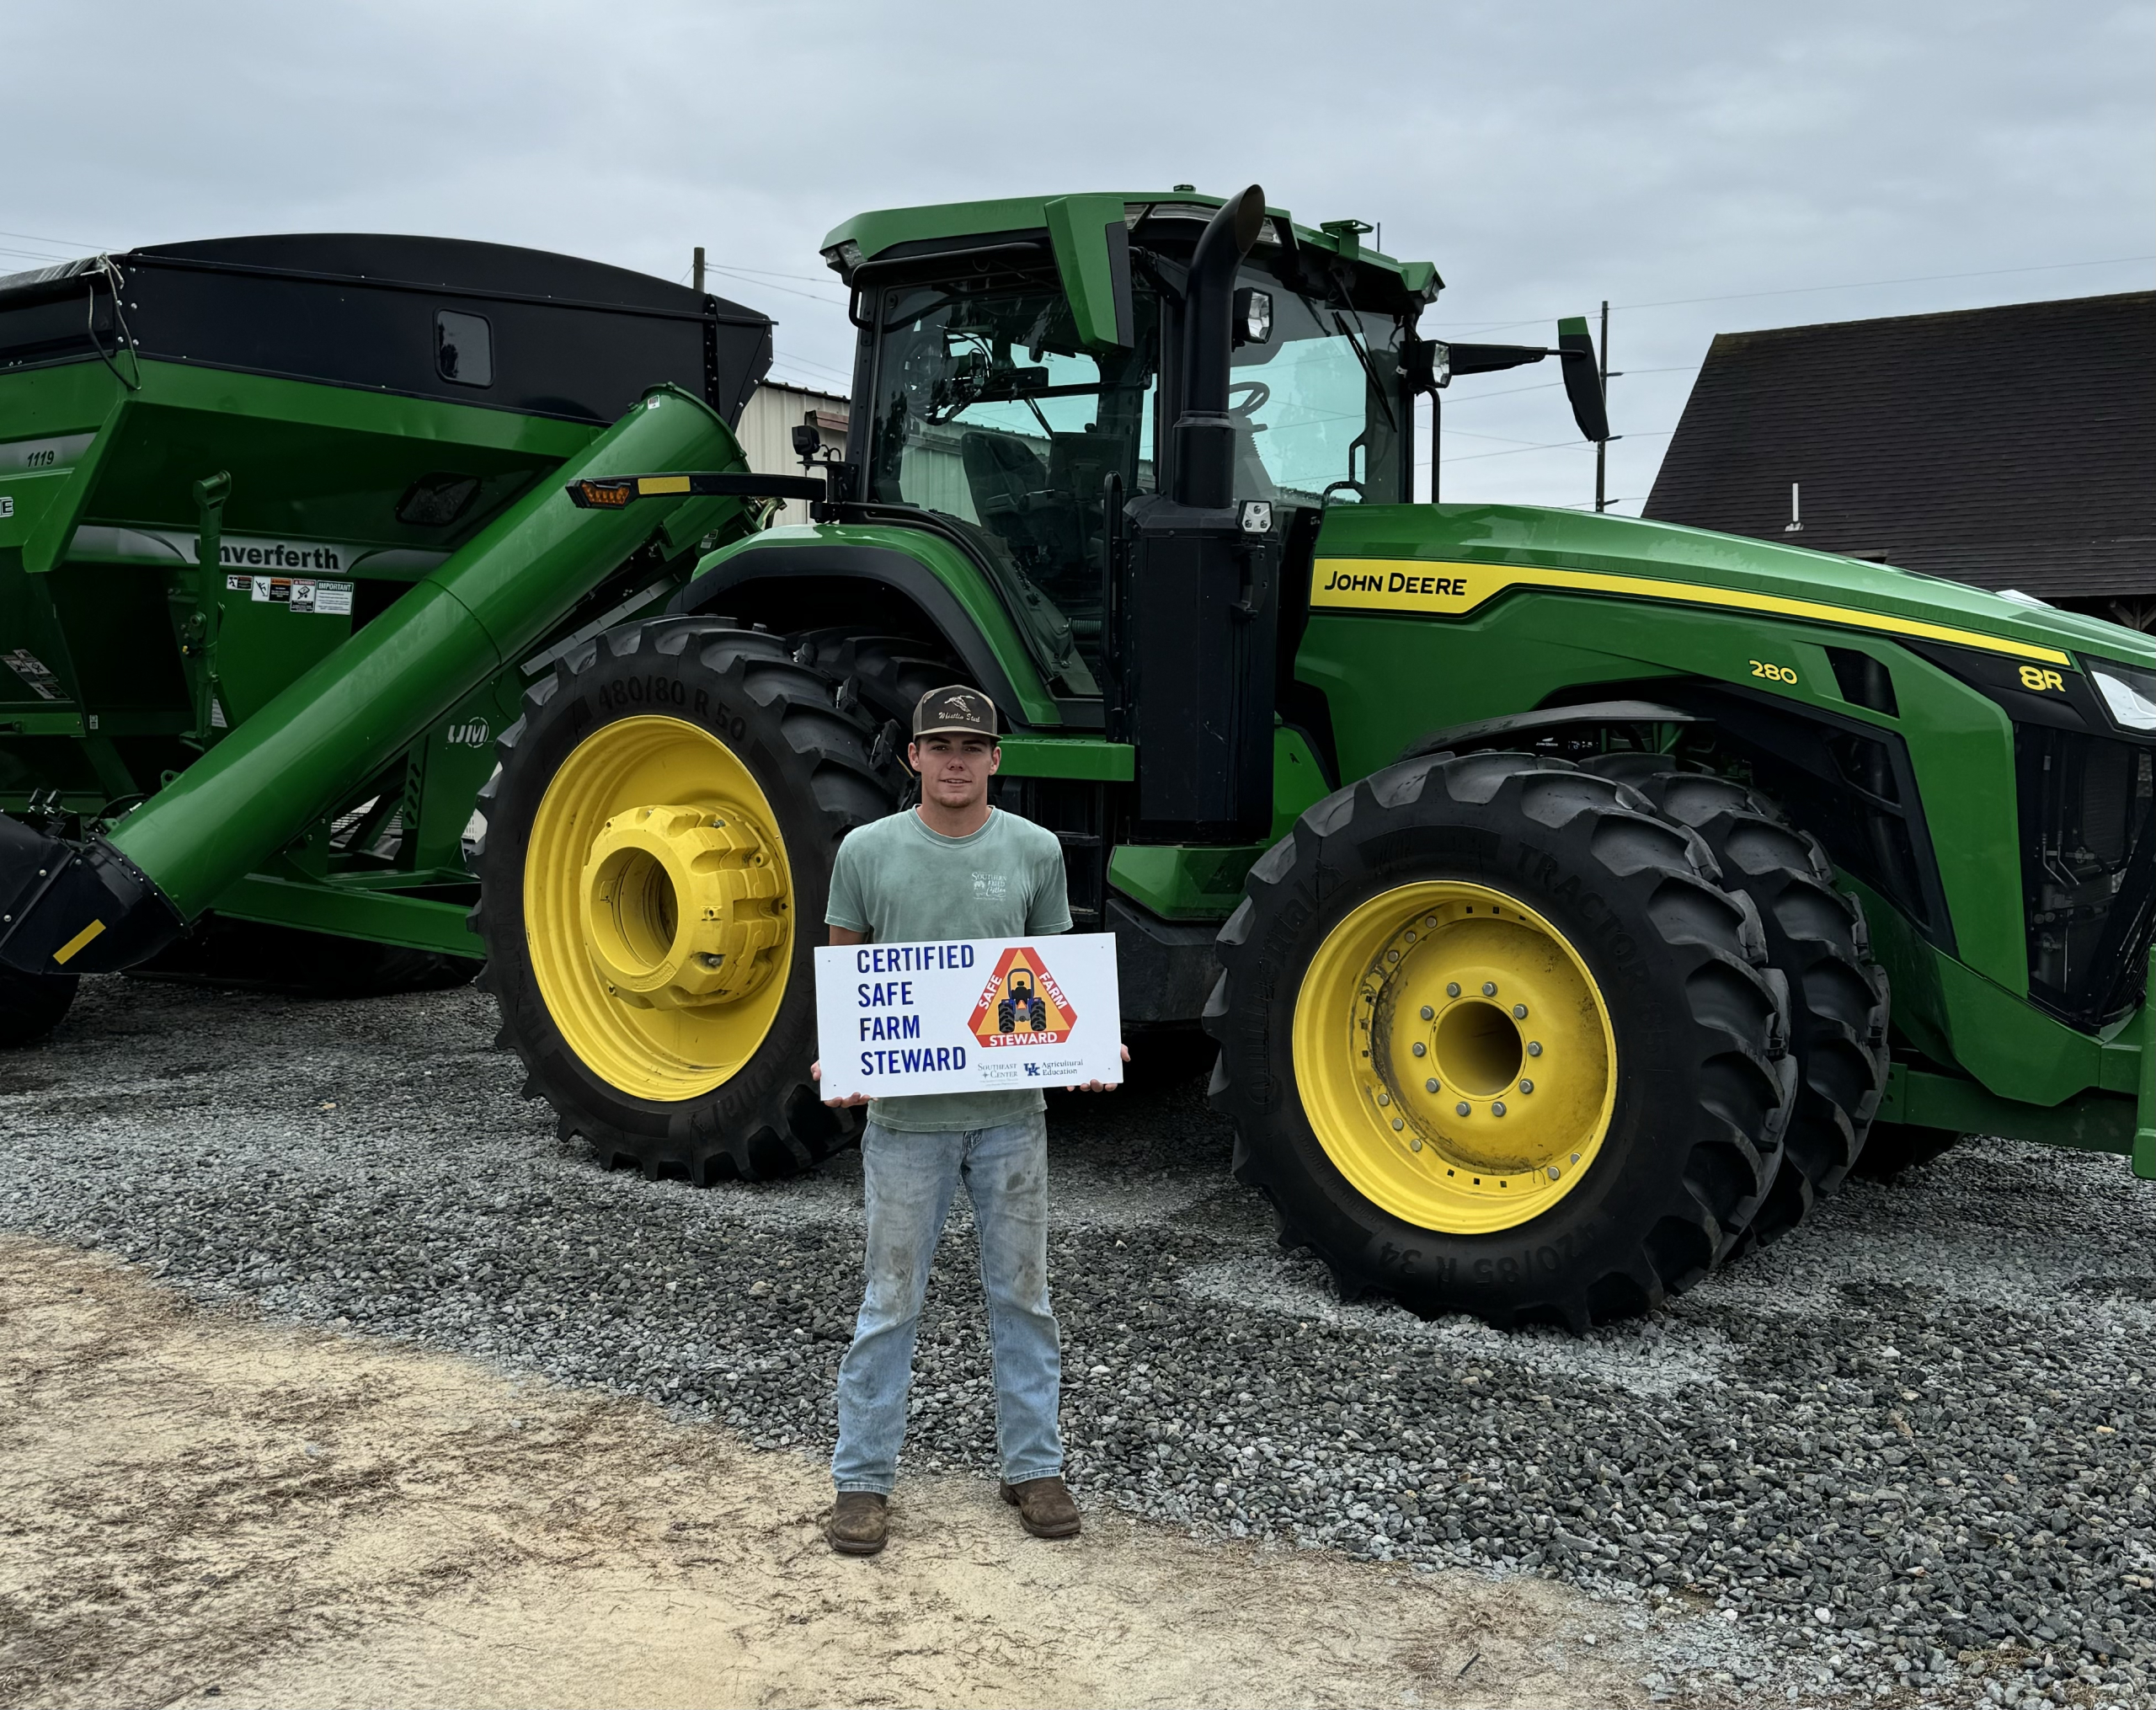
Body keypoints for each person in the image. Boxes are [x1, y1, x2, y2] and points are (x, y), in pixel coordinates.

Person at [811, 683, 1124, 1558]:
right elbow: (851, 983)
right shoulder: (866, 851)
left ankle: (1034, 1466)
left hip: (1010, 1123)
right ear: (911, 756)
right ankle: (862, 1479)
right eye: (938, 743)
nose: (955, 758)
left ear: (996, 759)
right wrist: (842, 1056)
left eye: (971, 745)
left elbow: (1051, 976)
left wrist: (1090, 1048)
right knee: (888, 1299)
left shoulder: (1033, 850)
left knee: (1023, 1296)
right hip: (906, 1124)